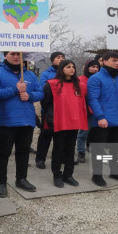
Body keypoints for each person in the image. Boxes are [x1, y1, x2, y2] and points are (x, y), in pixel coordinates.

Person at [0, 51, 44, 197]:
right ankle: (1, 182)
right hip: (7, 120)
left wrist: (30, 95)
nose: (16, 57)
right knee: (3, 153)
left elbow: (40, 92)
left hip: (27, 120)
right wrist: (15, 89)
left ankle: (21, 179)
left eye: (19, 55)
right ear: (5, 55)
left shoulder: (30, 75)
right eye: (13, 54)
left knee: (23, 152)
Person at [87, 51, 118, 187]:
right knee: (99, 149)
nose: (117, 63)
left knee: (116, 149)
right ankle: (97, 175)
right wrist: (100, 117)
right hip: (103, 121)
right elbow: (93, 100)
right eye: (114, 60)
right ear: (105, 61)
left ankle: (115, 171)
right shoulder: (96, 78)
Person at [41, 60, 88, 188]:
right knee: (58, 149)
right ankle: (57, 175)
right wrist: (52, 118)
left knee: (70, 149)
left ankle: (68, 175)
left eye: (73, 67)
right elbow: (45, 103)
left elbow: (85, 101)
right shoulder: (51, 85)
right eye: (68, 67)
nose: (72, 69)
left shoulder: (80, 85)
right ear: (62, 69)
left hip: (74, 122)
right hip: (59, 122)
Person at [35, 51, 65, 169]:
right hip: (49, 110)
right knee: (46, 135)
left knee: (62, 136)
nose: (61, 59)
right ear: (53, 60)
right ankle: (40, 159)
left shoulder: (67, 73)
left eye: (63, 57)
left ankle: (61, 157)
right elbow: (43, 92)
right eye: (58, 57)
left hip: (64, 111)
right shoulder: (46, 74)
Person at [76, 60, 100, 163]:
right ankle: (81, 152)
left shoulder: (100, 79)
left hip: (99, 110)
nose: (95, 69)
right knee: (83, 133)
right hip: (86, 110)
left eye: (97, 67)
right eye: (93, 67)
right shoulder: (80, 80)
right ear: (87, 67)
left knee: (97, 133)